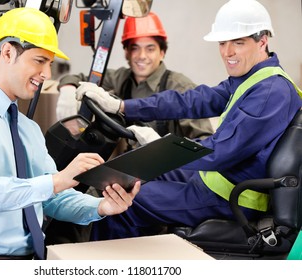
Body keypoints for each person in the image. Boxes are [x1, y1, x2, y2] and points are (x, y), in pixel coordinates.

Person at [75, 0, 302, 240]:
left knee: (125, 203)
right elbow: (193, 101)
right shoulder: (253, 79)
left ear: (262, 41)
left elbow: (219, 152)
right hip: (215, 179)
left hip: (230, 195)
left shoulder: (269, 92)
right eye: (223, 43)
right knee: (124, 175)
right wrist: (122, 106)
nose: (227, 52)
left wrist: (160, 147)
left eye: (238, 43)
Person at [0, 7, 140, 260]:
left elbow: (52, 199)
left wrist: (101, 206)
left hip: (32, 260)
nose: (47, 74)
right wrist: (58, 180)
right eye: (40, 61)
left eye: (50, 63)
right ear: (7, 52)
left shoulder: (27, 129)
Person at [57, 12, 214, 146]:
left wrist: (166, 149)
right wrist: (67, 88)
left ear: (162, 52)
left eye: (150, 49)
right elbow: (83, 79)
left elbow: (204, 142)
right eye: (135, 48)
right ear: (126, 53)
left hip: (170, 171)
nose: (142, 56)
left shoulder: (180, 87)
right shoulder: (120, 78)